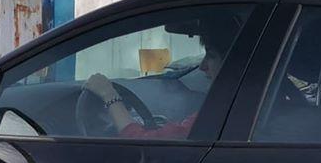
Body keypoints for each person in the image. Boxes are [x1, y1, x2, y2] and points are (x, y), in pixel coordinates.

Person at [80, 15, 243, 139]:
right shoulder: (247, 106)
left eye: (211, 56)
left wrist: (109, 96)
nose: (202, 66)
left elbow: (141, 144)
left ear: (235, 62)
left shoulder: (222, 112)